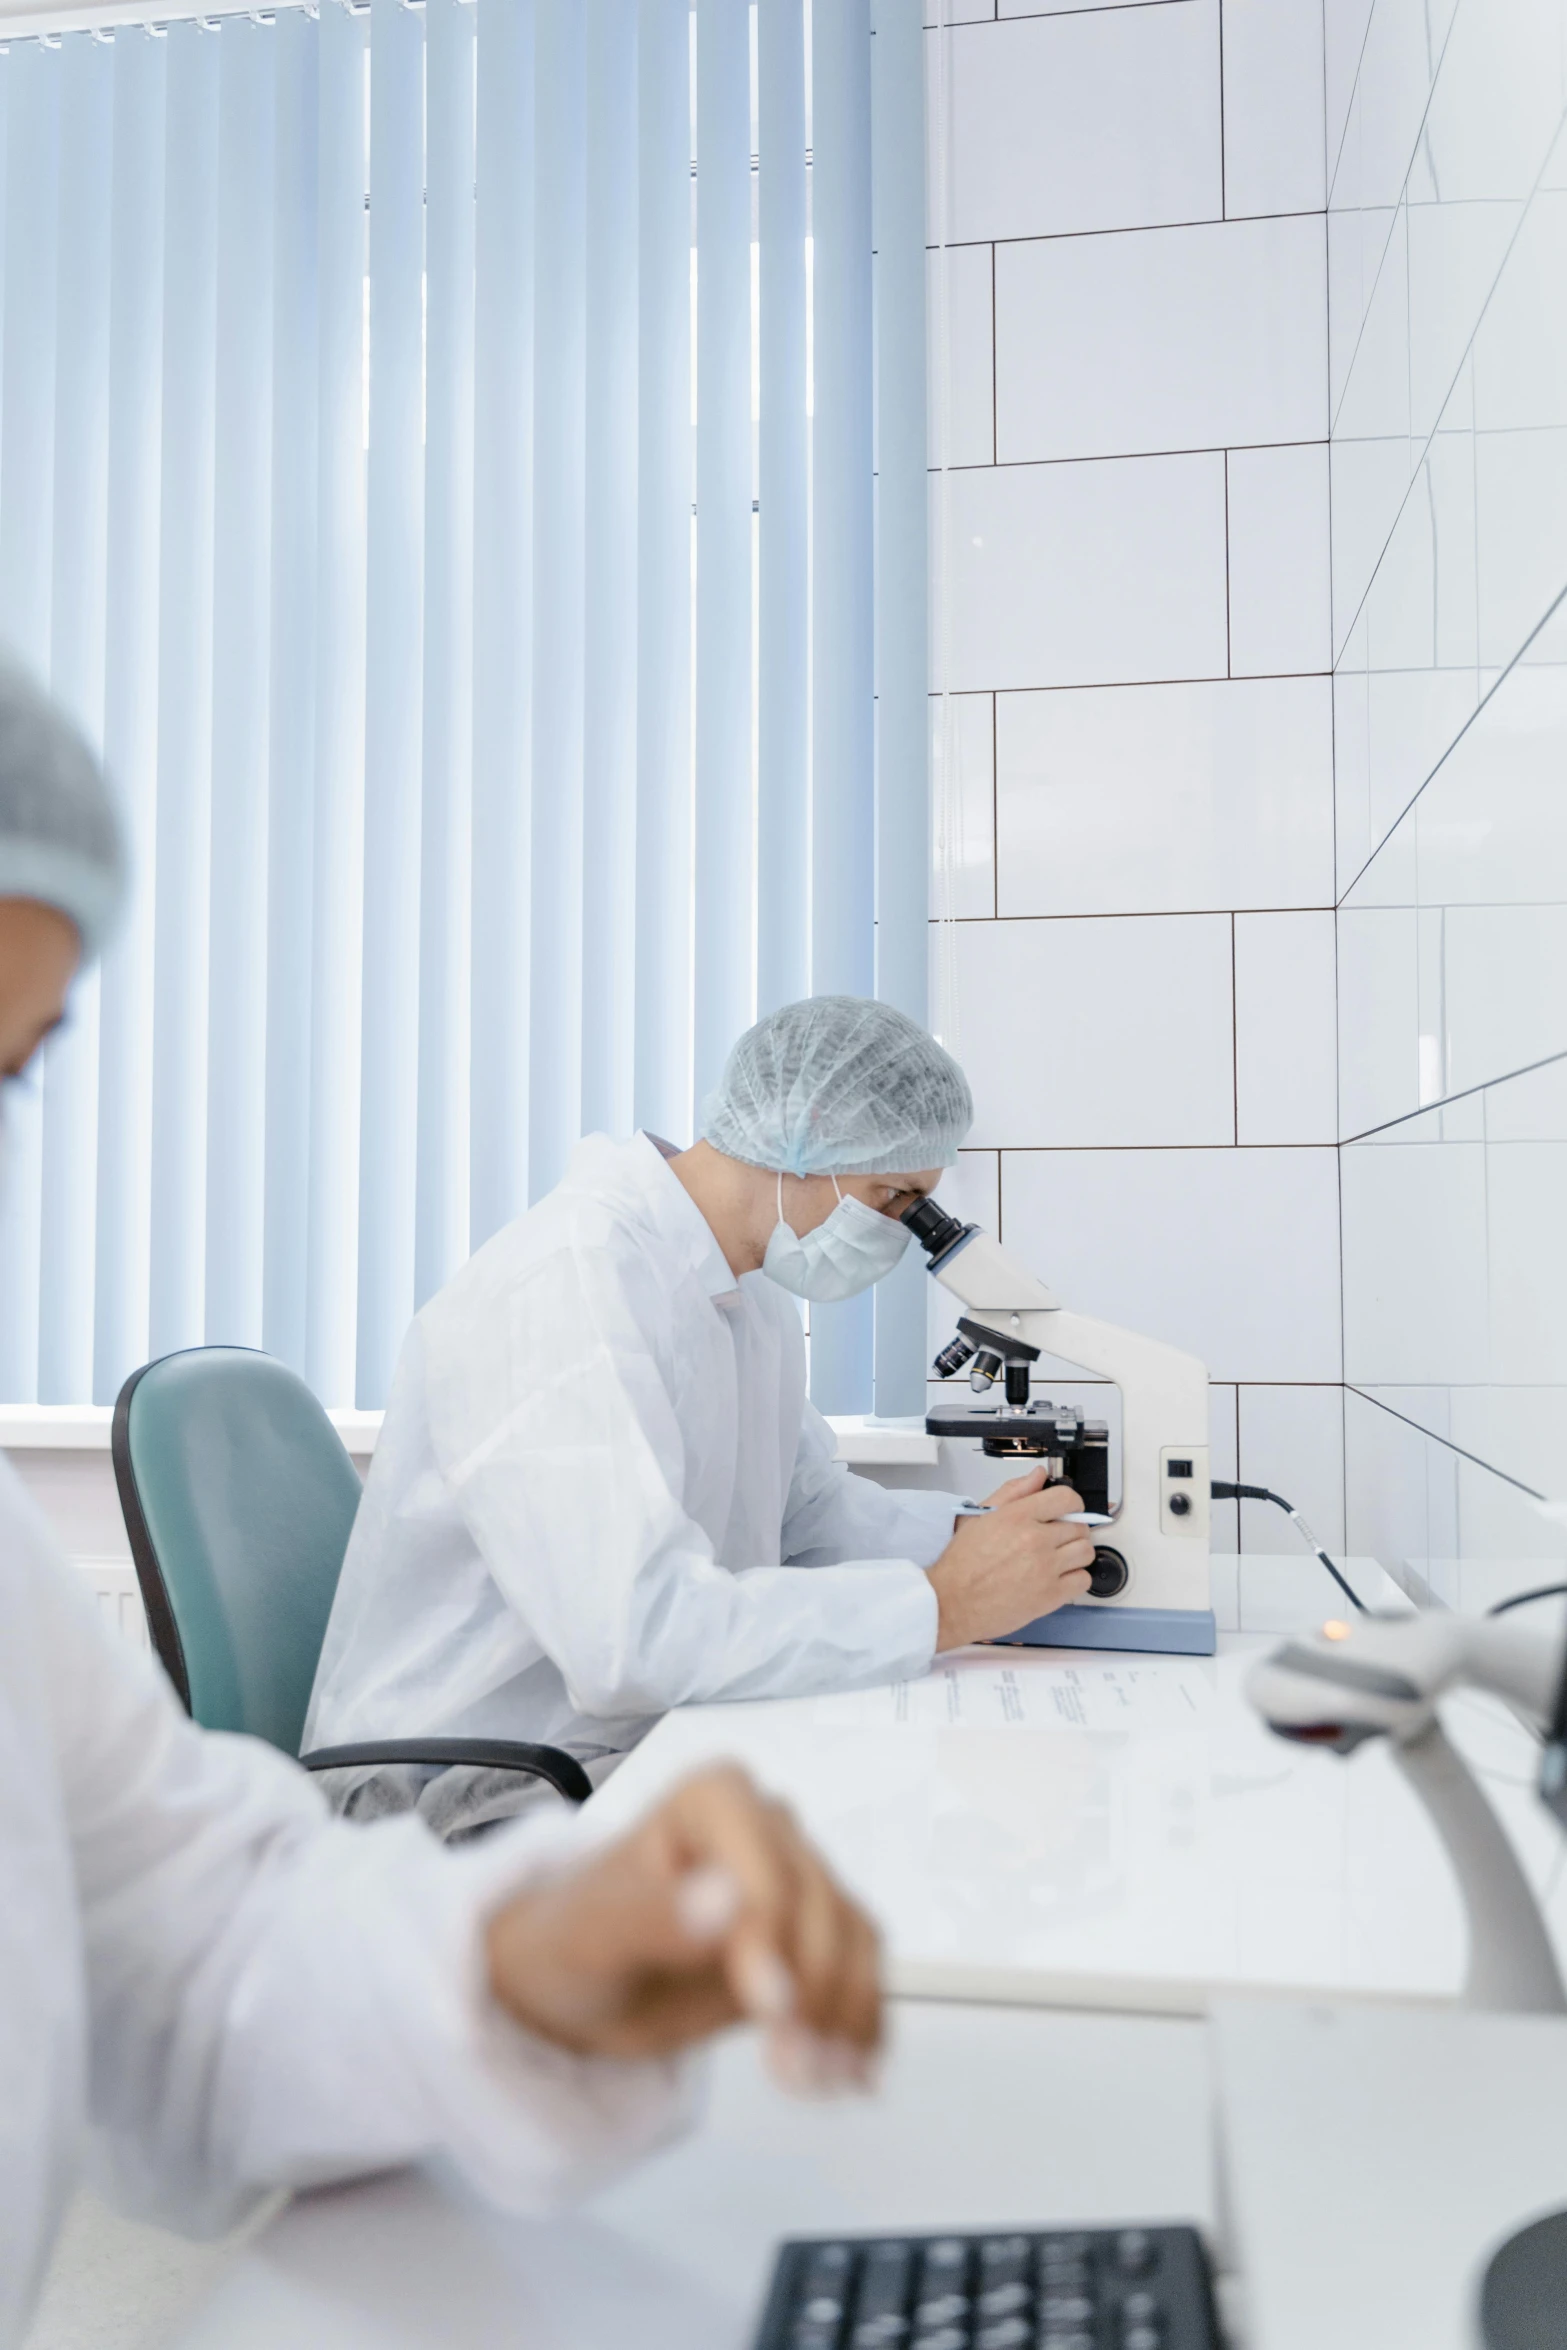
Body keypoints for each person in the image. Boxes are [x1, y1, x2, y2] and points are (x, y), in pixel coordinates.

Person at [0, 653, 882, 2350]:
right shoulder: (559, 1289)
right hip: (468, 1770)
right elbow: (636, 1632)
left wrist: (515, 1960)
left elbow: (193, 1955)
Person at [307, 995, 1097, 1832]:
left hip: (607, 1745)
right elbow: (631, 1639)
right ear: (810, 1128)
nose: (900, 1233)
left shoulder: (739, 1294)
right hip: (450, 1791)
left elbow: (808, 1515)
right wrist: (939, 1605)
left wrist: (998, 1542)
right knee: (896, 1834)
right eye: (892, 1196)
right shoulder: (568, 1287)